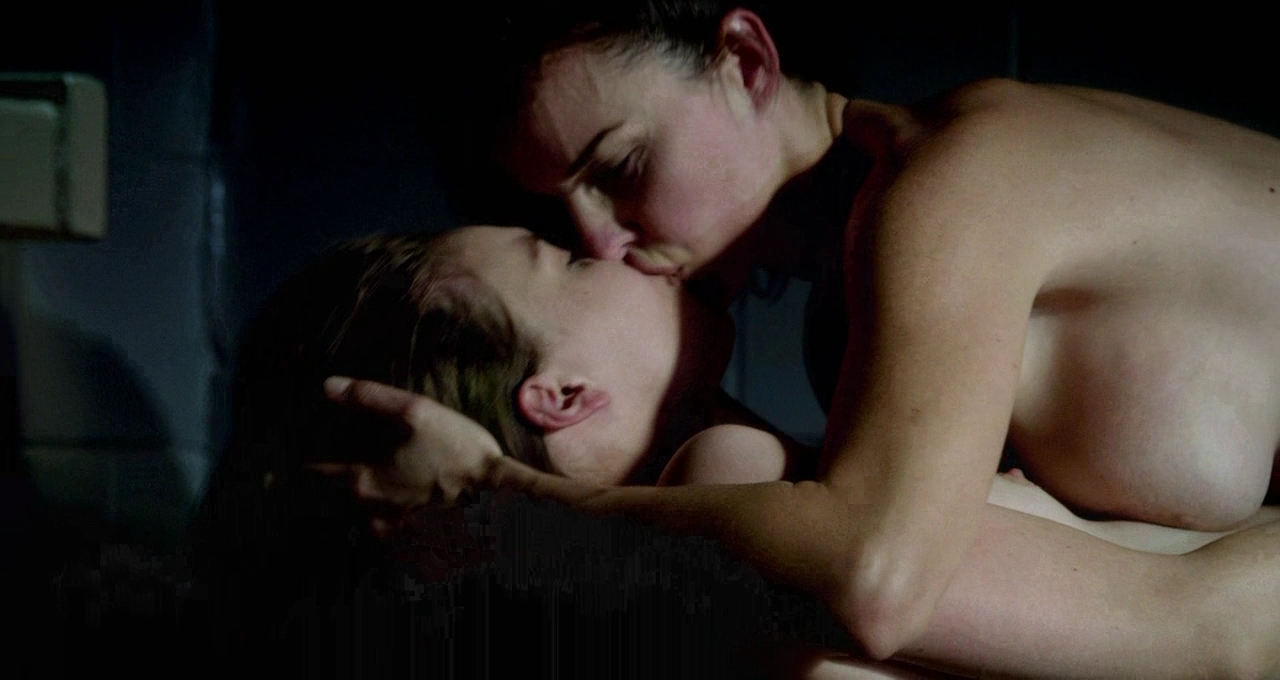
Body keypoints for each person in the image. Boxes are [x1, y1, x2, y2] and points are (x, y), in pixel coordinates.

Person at [324, 0, 1280, 673]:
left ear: (746, 62)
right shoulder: (849, 329)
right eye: (561, 217)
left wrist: (497, 504)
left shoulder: (956, 177)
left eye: (618, 169)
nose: (603, 242)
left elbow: (873, 581)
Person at [283, 229, 1276, 677]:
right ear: (564, 396)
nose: (620, 243)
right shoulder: (726, 478)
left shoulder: (650, 611)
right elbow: (1213, 634)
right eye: (572, 258)